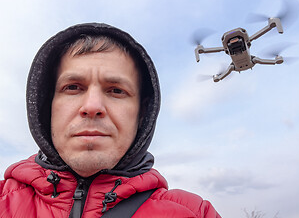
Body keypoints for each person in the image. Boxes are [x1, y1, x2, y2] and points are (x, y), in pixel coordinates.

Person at [0, 23, 221, 217]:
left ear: (142, 112)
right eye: (73, 87)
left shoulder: (196, 214)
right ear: (47, 105)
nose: (92, 106)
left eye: (116, 90)